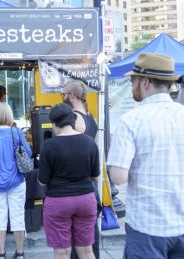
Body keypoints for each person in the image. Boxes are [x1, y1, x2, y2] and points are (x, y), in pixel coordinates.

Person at [107, 53, 184, 259]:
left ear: (146, 81)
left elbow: (118, 176)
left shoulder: (132, 120)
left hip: (147, 226)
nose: (132, 85)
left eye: (133, 80)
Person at [38, 103, 99, 259]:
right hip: (86, 200)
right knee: (86, 250)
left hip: (58, 202)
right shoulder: (89, 142)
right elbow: (95, 176)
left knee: (62, 252)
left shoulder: (49, 146)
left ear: (55, 123)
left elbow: (42, 182)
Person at [0, 102, 31, 259]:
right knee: (17, 216)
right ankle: (20, 253)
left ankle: (1, 254)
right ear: (9, 115)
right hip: (16, 180)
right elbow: (28, 152)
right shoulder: (16, 132)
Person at [61, 80, 100, 259]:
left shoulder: (75, 119)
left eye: (64, 95)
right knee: (90, 235)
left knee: (77, 238)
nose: (61, 98)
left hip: (78, 184)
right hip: (90, 183)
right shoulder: (92, 117)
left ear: (73, 96)